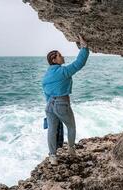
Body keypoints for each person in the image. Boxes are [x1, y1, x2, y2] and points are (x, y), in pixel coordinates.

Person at [42, 34, 89, 165]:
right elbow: (79, 63)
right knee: (71, 126)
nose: (62, 57)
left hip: (49, 106)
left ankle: (53, 157)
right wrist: (84, 48)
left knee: (52, 129)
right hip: (61, 104)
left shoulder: (46, 76)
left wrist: (51, 106)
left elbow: (46, 94)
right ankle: (71, 150)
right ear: (54, 59)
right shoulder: (62, 72)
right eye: (59, 55)